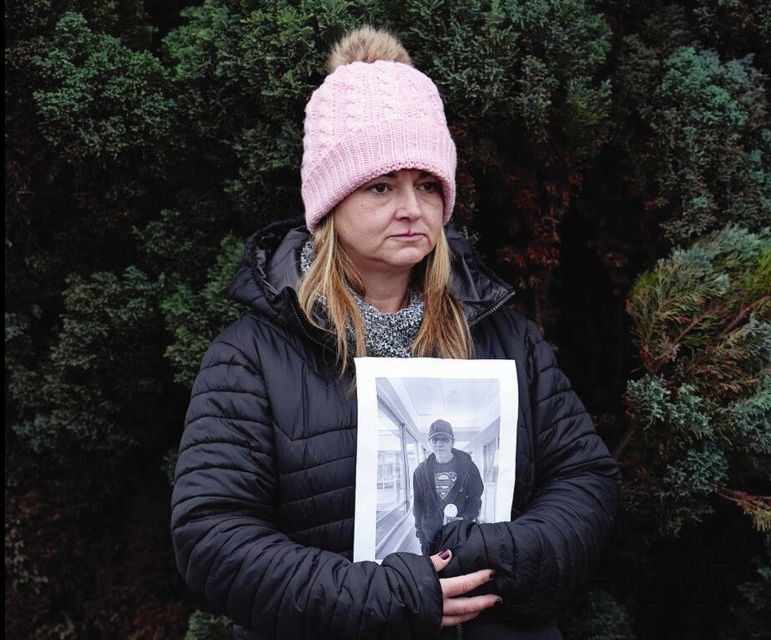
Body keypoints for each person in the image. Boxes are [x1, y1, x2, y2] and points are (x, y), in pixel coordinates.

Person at [171, 26, 620, 640]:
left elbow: (586, 480)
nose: (413, 207)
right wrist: (388, 598)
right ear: (330, 203)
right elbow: (212, 537)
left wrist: (508, 552)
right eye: (382, 185)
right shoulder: (249, 357)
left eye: (428, 184)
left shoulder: (504, 337)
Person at [413, 419, 484, 556]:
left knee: (458, 573)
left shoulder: (468, 467)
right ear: (430, 443)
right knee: (433, 574)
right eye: (435, 440)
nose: (439, 444)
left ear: (452, 441)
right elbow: (418, 504)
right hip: (431, 536)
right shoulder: (420, 471)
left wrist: (465, 518)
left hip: (459, 534)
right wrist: (420, 535)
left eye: (444, 439)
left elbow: (475, 498)